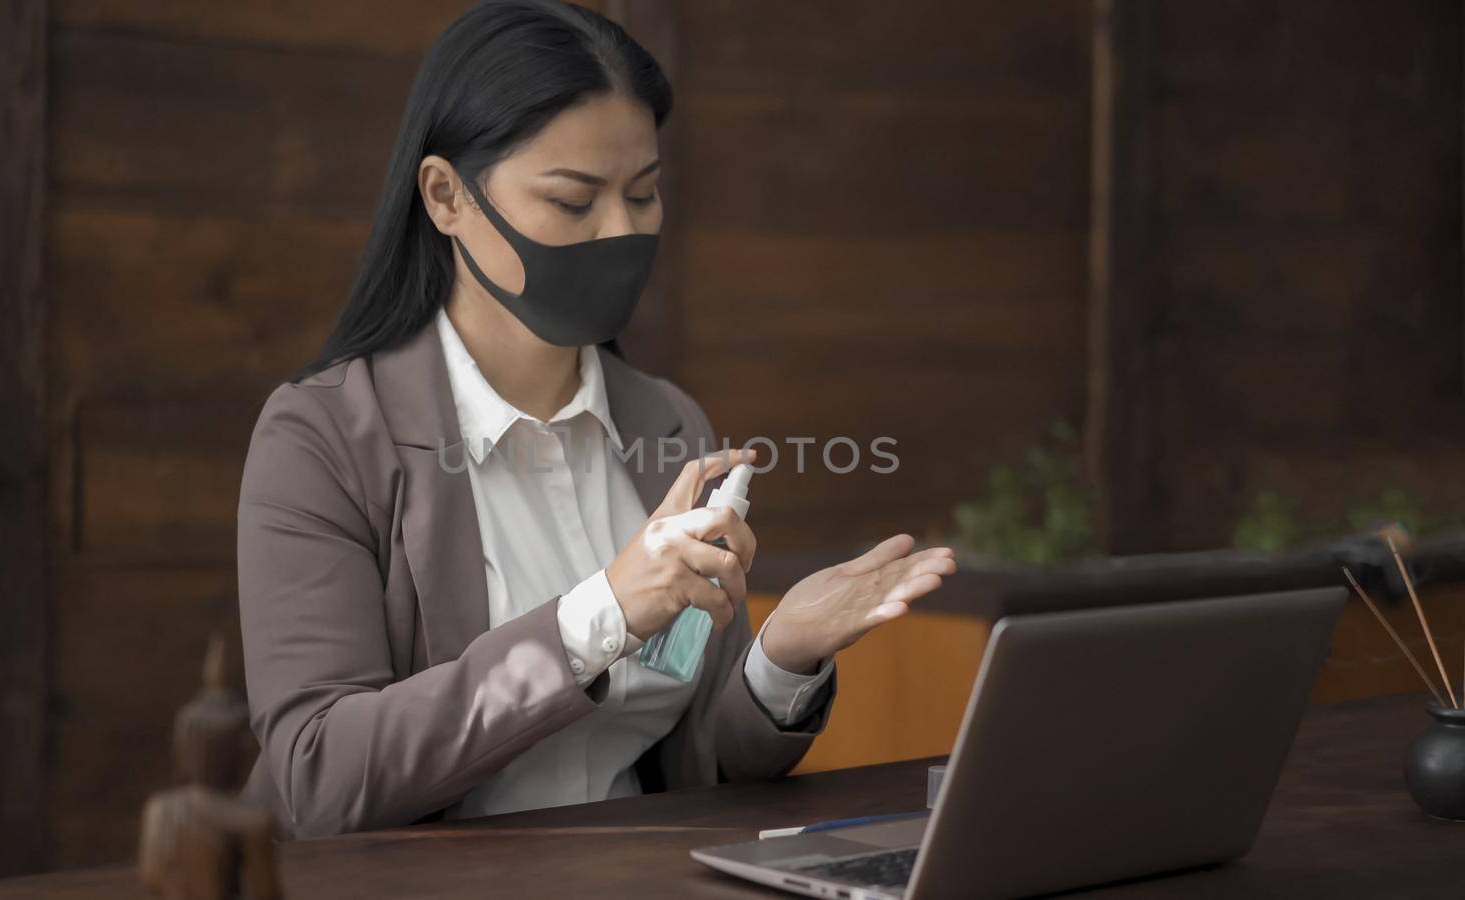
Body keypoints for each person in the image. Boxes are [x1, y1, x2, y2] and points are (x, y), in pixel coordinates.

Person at [236, 0, 957, 840]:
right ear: (445, 198)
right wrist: (601, 615)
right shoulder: (322, 439)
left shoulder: (669, 423)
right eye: (575, 202)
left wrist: (780, 660)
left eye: (643, 193)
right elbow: (320, 772)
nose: (621, 232)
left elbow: (707, 763)